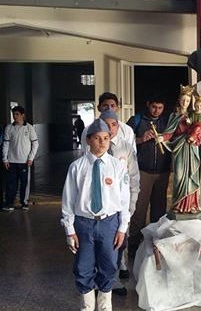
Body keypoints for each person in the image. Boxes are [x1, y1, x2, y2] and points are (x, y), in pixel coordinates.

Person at [61, 119, 130, 311]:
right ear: (88, 140)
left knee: (108, 264)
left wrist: (122, 228)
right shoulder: (77, 167)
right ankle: (87, 306)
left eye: (106, 138)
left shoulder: (118, 166)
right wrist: (69, 229)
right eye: (97, 138)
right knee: (83, 266)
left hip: (109, 223)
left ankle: (105, 306)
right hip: (83, 224)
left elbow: (124, 200)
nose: (102, 142)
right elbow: (68, 200)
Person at [99, 110, 140, 293]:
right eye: (106, 125)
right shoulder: (94, 147)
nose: (110, 129)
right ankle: (108, 280)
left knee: (120, 243)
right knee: (103, 245)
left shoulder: (125, 147)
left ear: (118, 125)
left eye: (113, 125)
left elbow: (133, 177)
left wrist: (132, 205)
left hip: (121, 207)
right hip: (101, 208)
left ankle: (112, 275)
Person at [126, 96, 171, 257]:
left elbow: (175, 140)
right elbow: (125, 142)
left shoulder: (167, 121)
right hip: (142, 171)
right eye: (154, 107)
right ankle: (133, 247)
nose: (156, 111)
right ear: (148, 105)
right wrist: (141, 138)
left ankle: (154, 247)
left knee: (159, 211)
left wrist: (166, 138)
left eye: (160, 107)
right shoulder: (137, 120)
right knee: (139, 210)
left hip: (163, 171)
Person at [159, 85, 201, 214]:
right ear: (179, 100)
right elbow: (169, 132)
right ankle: (178, 205)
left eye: (187, 100)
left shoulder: (193, 115)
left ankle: (191, 205)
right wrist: (162, 138)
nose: (185, 103)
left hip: (192, 149)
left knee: (192, 176)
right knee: (179, 176)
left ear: (191, 101)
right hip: (179, 149)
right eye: (183, 100)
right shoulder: (174, 115)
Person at [2, 106, 39, 211]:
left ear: (23, 115)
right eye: (14, 114)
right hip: (12, 161)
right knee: (11, 184)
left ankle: (24, 202)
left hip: (25, 162)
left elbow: (35, 143)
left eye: (17, 114)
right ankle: (9, 203)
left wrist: (31, 158)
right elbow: (6, 144)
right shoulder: (9, 128)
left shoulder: (29, 127)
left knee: (24, 183)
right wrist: (5, 159)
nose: (15, 116)